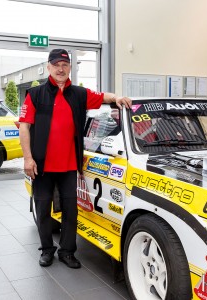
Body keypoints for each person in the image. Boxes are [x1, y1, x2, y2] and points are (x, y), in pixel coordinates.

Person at [19, 48, 132, 269]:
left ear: (69, 67)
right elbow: (24, 128)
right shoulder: (35, 95)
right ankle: (46, 250)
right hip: (41, 165)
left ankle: (67, 251)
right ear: (49, 67)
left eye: (65, 64)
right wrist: (27, 158)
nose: (61, 69)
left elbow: (104, 97)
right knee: (43, 209)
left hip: (70, 165)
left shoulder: (79, 94)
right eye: (56, 65)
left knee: (71, 211)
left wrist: (117, 98)